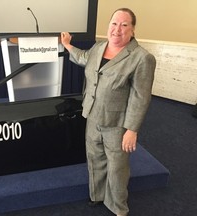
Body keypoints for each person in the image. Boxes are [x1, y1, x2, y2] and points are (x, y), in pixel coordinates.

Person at [60, 8, 156, 216]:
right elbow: (83, 58)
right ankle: (98, 195)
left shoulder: (141, 58)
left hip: (117, 123)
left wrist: (132, 129)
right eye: (114, 23)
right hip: (92, 115)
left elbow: (141, 97)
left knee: (117, 167)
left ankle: (118, 207)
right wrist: (67, 44)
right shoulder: (99, 47)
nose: (117, 29)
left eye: (124, 25)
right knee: (95, 158)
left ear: (132, 29)